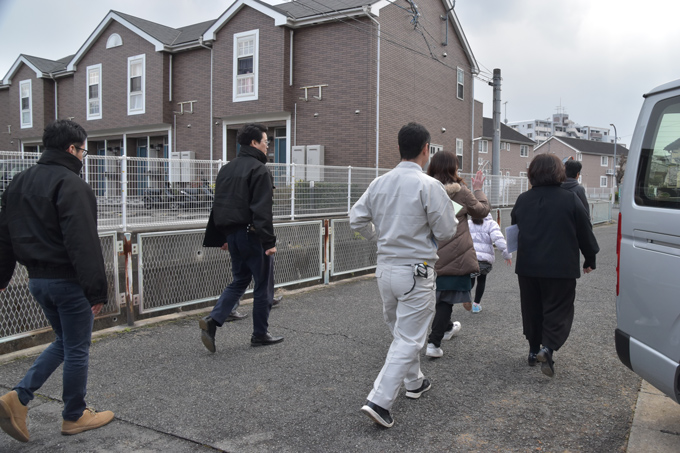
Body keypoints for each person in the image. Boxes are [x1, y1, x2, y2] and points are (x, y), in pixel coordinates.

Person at [0, 120, 114, 443]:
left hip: (36, 281)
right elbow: (83, 242)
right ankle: (74, 414)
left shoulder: (18, 183)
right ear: (72, 149)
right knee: (77, 346)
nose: (83, 158)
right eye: (84, 152)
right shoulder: (72, 184)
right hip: (68, 282)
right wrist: (97, 290)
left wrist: (2, 275)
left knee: (64, 341)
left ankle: (18, 398)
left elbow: (4, 235)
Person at [350, 123, 457, 428]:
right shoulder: (429, 186)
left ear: (400, 148)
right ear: (426, 149)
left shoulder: (379, 183)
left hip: (385, 268)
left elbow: (356, 219)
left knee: (400, 332)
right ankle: (379, 401)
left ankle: (414, 382)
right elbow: (447, 231)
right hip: (417, 269)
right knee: (409, 338)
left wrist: (378, 236)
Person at [511, 153, 599, 377]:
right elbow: (584, 231)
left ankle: (532, 351)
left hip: (528, 266)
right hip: (560, 267)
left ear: (532, 173)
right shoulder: (570, 199)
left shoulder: (523, 199)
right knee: (558, 309)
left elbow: (515, 229)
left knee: (532, 308)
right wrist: (590, 258)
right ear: (558, 172)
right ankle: (547, 348)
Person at [199, 123, 283, 352]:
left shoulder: (226, 169)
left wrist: (223, 237)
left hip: (232, 236)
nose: (267, 146)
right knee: (263, 285)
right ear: (254, 143)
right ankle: (259, 334)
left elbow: (219, 206)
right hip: (253, 236)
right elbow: (261, 210)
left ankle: (213, 320)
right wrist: (269, 242)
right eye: (266, 141)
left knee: (239, 280)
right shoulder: (259, 170)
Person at [425, 151, 489, 358]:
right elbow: (481, 211)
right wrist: (478, 190)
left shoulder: (425, 188)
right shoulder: (460, 192)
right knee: (445, 298)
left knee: (431, 295)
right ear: (453, 169)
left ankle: (446, 327)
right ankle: (433, 343)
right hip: (455, 253)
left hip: (427, 250)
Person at [468, 214, 513, 313]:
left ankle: (466, 298)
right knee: (481, 280)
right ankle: (476, 305)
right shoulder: (491, 224)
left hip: (470, 257)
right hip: (484, 259)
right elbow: (499, 240)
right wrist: (507, 255)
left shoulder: (469, 223)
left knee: (470, 279)